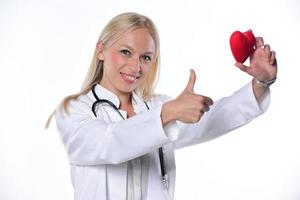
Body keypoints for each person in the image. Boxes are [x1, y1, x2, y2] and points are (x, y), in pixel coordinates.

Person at [46, 12, 277, 200]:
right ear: (101, 51)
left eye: (146, 57)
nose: (136, 67)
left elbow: (211, 120)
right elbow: (110, 143)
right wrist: (168, 113)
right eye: (126, 52)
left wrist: (261, 82)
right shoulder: (73, 111)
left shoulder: (156, 106)